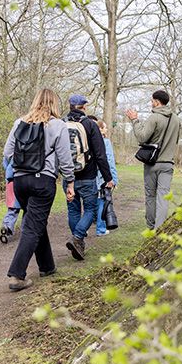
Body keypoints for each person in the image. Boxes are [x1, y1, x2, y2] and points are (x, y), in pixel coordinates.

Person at [3, 89, 75, 291]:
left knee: (35, 220)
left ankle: (47, 266)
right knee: (33, 224)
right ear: (54, 104)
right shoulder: (58, 125)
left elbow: (7, 152)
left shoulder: (20, 123)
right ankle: (17, 275)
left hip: (20, 181)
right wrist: (70, 182)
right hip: (42, 181)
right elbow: (65, 158)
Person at [64, 95, 114, 260]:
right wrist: (108, 177)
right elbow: (100, 154)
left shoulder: (62, 124)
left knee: (73, 209)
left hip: (68, 176)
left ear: (70, 106)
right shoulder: (90, 125)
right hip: (88, 175)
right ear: (84, 107)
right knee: (91, 209)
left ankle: (78, 244)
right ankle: (77, 237)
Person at [125, 89, 181, 230]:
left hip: (152, 163)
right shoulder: (176, 119)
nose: (151, 103)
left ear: (157, 102)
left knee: (150, 196)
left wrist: (134, 120)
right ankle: (159, 229)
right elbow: (175, 141)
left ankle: (151, 227)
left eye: (152, 101)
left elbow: (142, 137)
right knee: (163, 197)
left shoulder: (154, 117)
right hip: (168, 164)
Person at [91, 117, 119, 236]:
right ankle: (101, 229)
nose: (107, 130)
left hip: (90, 176)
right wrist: (113, 179)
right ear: (100, 129)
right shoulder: (105, 142)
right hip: (102, 176)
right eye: (105, 127)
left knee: (91, 203)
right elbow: (109, 161)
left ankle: (84, 229)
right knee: (102, 201)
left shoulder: (89, 141)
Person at [0, 156, 22, 243]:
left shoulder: (7, 154)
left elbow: (5, 165)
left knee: (12, 210)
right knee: (28, 210)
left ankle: (6, 225)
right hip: (20, 181)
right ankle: (27, 231)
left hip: (10, 182)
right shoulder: (22, 150)